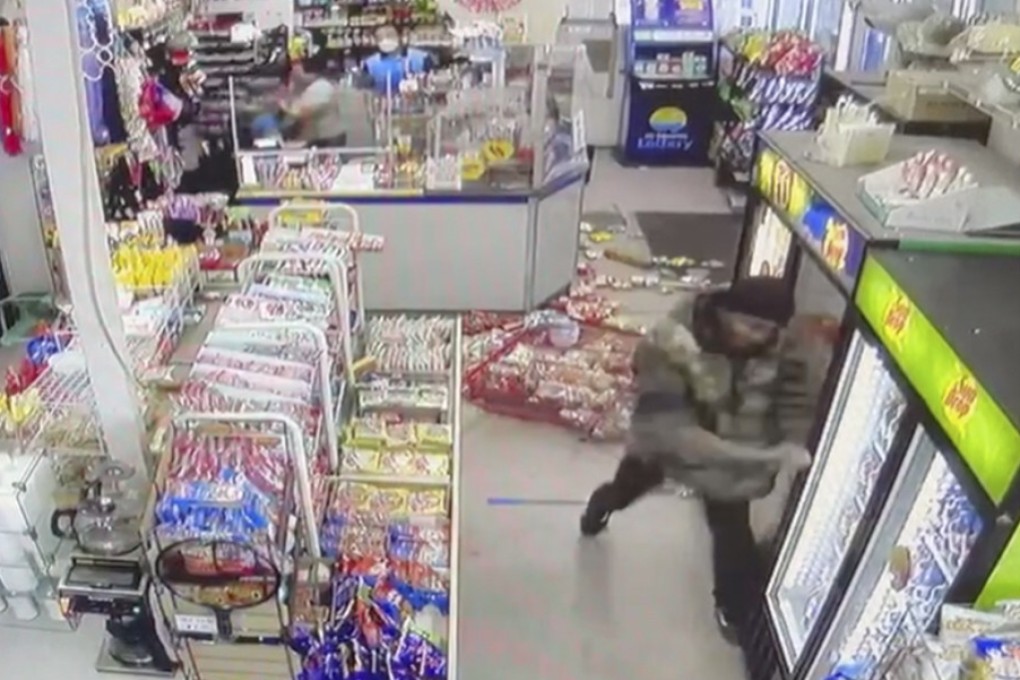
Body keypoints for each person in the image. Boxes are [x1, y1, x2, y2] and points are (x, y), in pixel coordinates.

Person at [579, 277, 820, 644]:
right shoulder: (670, 342)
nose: (760, 337)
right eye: (752, 325)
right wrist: (765, 455)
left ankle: (735, 611)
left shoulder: (780, 342)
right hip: (667, 444)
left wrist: (792, 435)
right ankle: (600, 507)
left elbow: (793, 392)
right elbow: (672, 431)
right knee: (627, 487)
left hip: (731, 448)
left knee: (730, 528)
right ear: (725, 312)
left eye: (770, 330)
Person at [281, 61, 347, 148]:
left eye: (297, 72)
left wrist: (283, 105)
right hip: (318, 135)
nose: (294, 75)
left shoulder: (320, 88)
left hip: (330, 138)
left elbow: (303, 113)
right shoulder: (309, 87)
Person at [364, 26, 431, 94]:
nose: (386, 40)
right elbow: (365, 89)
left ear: (399, 36)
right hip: (382, 101)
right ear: (376, 41)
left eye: (390, 35)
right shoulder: (370, 64)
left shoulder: (421, 58)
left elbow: (432, 82)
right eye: (381, 37)